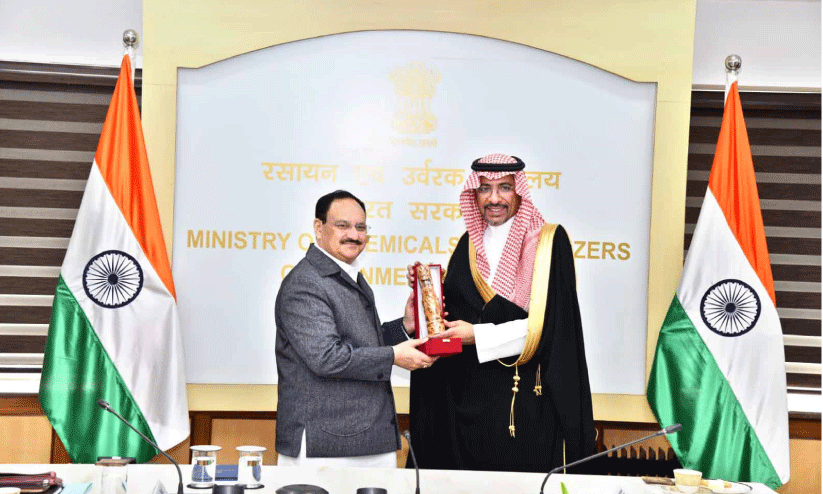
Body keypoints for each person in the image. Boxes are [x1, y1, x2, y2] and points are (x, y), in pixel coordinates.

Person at [407, 153, 595, 472]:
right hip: (470, 407)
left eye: (504, 187)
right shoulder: (467, 245)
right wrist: (424, 298)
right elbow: (450, 319)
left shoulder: (549, 243)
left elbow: (551, 328)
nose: (494, 198)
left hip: (524, 404)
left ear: (519, 191)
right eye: (485, 188)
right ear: (474, 194)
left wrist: (477, 336)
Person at [275, 190, 435, 467]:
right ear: (318, 228)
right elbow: (327, 357)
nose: (354, 235)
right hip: (327, 447)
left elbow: (360, 343)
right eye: (343, 225)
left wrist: (405, 325)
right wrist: (394, 356)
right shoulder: (306, 283)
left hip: (364, 440)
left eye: (361, 227)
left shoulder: (347, 275)